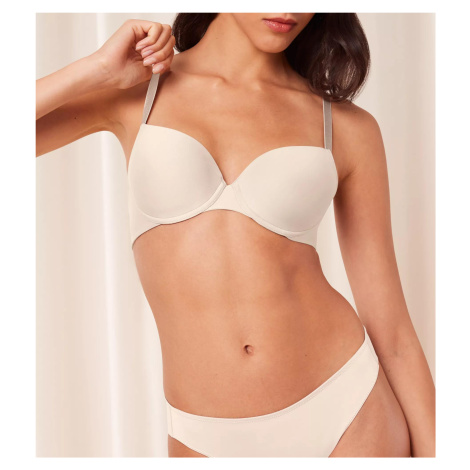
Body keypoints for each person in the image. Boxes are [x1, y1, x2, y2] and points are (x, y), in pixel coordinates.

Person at [36, 13, 435, 457]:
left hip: (348, 409)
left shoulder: (343, 125)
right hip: (204, 435)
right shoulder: (138, 91)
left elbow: (393, 333)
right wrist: (96, 68)